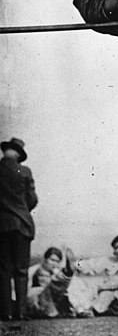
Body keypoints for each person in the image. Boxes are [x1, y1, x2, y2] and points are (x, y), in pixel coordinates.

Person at [0, 137, 38, 321]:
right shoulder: (24, 171)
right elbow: (32, 199)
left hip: (2, 225)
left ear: (6, 151)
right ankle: (21, 312)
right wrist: (21, 209)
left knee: (3, 269)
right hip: (22, 224)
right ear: (18, 154)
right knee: (21, 270)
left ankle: (5, 312)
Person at [66, 234, 118, 316]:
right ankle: (79, 309)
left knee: (114, 281)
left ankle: (93, 310)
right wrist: (75, 265)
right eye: (115, 248)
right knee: (80, 281)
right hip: (111, 294)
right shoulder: (112, 261)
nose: (117, 251)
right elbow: (93, 264)